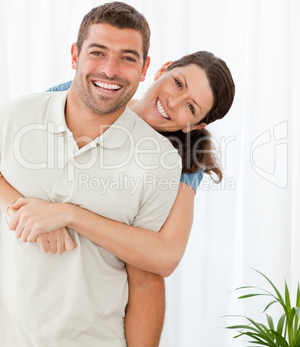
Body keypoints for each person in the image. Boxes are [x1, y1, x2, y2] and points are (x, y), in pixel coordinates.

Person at [0, 2, 182, 347]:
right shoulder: (16, 115)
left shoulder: (159, 159)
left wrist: (66, 213)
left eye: (128, 58)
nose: (110, 70)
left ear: (144, 69)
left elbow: (145, 280)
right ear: (74, 55)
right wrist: (22, 210)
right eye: (98, 52)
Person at [1, 51, 235, 279]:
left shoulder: (183, 162)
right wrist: (18, 209)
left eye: (191, 107)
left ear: (194, 126)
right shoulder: (81, 94)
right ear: (162, 70)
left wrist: (69, 215)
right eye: (177, 83)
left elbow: (166, 256)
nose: (173, 102)